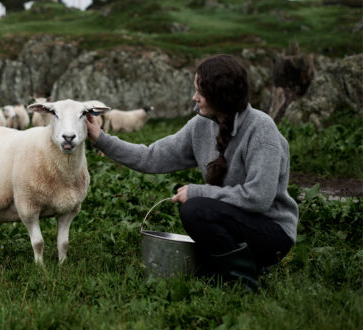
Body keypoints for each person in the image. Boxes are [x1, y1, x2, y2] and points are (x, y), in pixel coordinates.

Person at [86, 54, 298, 291]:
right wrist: (101, 139)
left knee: (196, 207)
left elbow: (259, 197)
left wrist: (198, 192)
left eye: (201, 92)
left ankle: (243, 280)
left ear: (220, 95)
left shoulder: (261, 129)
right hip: (237, 222)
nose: (194, 97)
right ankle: (227, 268)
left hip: (272, 232)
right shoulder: (201, 126)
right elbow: (150, 157)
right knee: (196, 208)